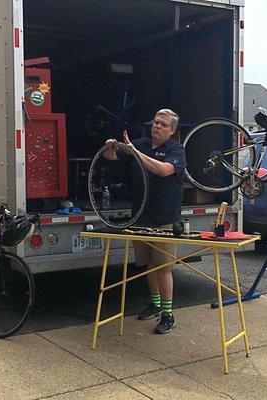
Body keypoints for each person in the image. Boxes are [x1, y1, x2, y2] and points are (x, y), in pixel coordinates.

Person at [104, 109, 186, 334]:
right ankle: (155, 304)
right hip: (141, 217)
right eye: (155, 122)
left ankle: (168, 314)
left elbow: (163, 170)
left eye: (162, 124)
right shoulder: (140, 143)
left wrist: (135, 152)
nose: (157, 126)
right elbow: (111, 157)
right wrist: (110, 148)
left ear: (172, 130)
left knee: (164, 267)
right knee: (148, 264)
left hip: (165, 219)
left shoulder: (176, 150)